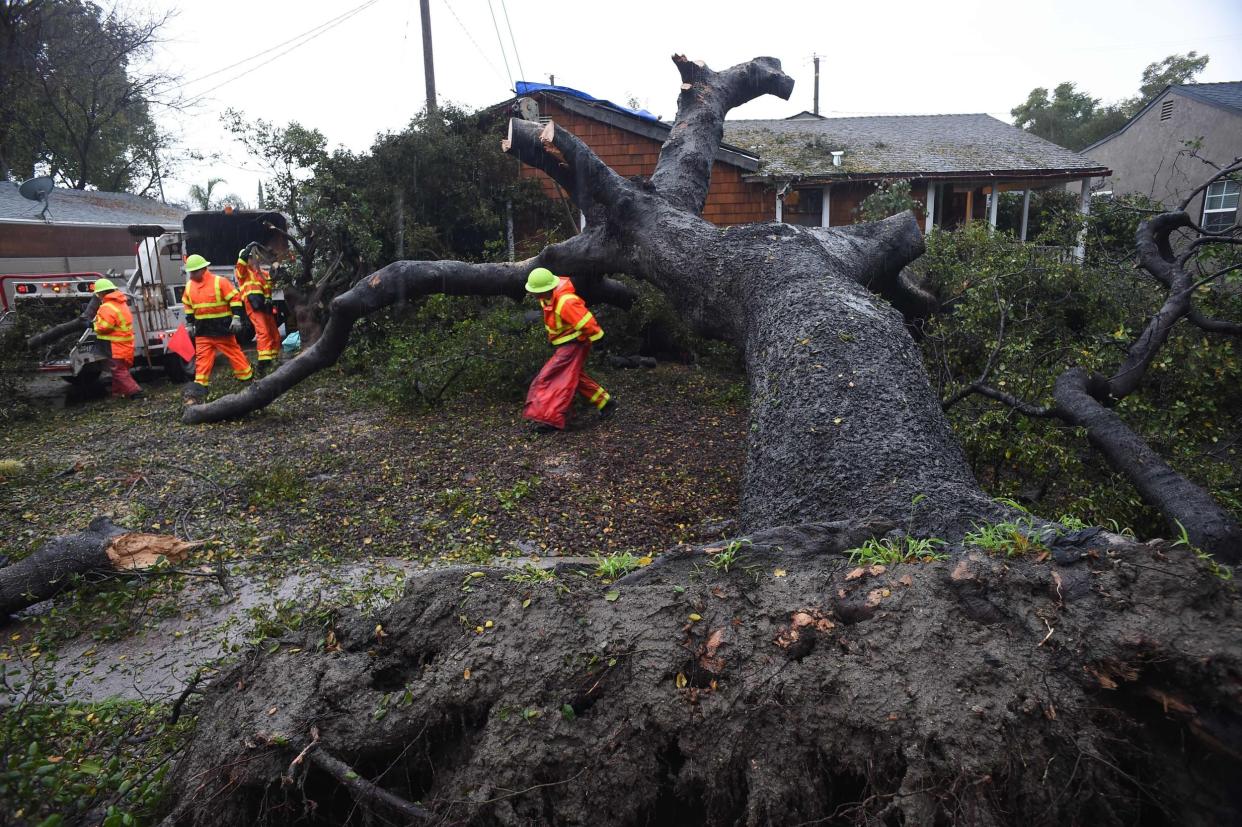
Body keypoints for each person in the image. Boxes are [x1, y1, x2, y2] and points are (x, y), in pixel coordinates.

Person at [523, 267, 615, 431]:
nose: (533, 294)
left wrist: (598, 340)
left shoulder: (566, 301)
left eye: (535, 291)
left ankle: (549, 418)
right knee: (573, 377)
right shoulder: (547, 297)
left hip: (575, 345)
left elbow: (586, 322)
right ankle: (605, 402)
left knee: (551, 377)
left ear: (546, 289)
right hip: (566, 345)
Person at [181, 254, 253, 401]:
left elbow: (235, 298)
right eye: (191, 272)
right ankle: (200, 387)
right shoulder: (189, 287)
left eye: (194, 272)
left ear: (203, 269)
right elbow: (188, 306)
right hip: (203, 331)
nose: (192, 275)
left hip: (222, 329)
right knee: (202, 360)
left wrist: (237, 317)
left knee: (234, 354)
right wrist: (189, 323)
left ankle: (247, 380)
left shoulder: (219, 282)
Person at [90, 278, 143, 399]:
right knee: (119, 370)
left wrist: (92, 325)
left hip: (115, 345)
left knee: (118, 370)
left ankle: (135, 392)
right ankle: (117, 393)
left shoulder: (106, 307)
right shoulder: (121, 303)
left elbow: (106, 326)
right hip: (125, 343)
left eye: (98, 294)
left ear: (102, 293)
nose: (98, 296)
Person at [235, 243, 281, 375]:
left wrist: (276, 264)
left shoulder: (261, 273)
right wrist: (248, 248)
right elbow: (241, 263)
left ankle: (273, 359)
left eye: (251, 257)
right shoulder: (242, 273)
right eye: (249, 257)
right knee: (263, 332)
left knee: (274, 333)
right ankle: (263, 362)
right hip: (252, 304)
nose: (252, 259)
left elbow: (273, 279)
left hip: (264, 304)